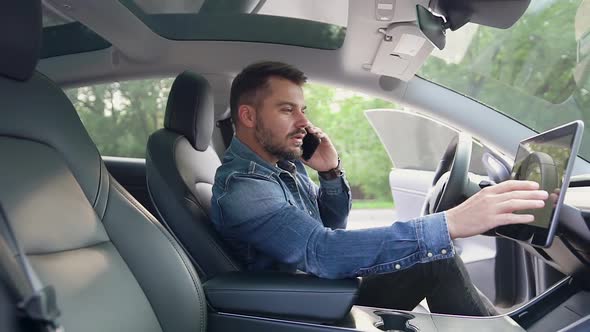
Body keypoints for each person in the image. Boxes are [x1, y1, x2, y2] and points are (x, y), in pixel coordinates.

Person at [210, 61, 549, 316]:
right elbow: (322, 252)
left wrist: (330, 173)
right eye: (287, 110)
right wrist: (449, 223)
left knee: (435, 255)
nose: (303, 123)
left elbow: (329, 225)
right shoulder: (243, 187)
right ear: (249, 117)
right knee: (434, 257)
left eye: (304, 110)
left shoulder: (282, 164)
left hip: (325, 292)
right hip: (305, 310)